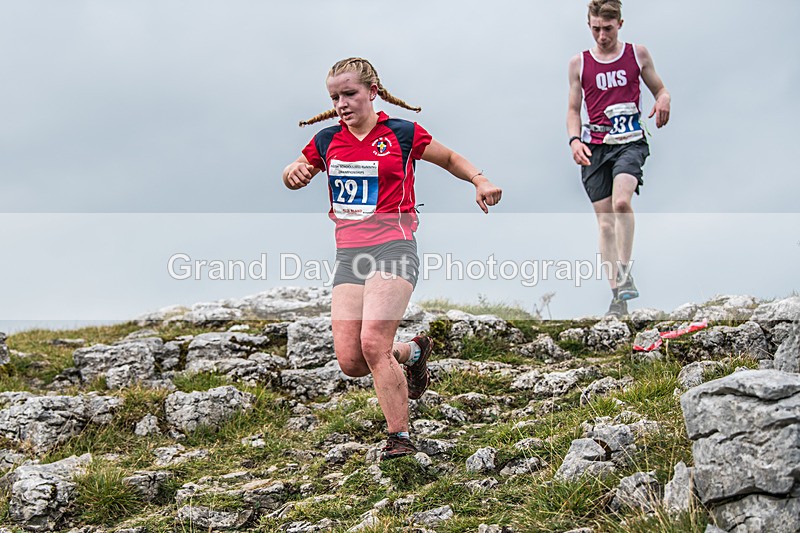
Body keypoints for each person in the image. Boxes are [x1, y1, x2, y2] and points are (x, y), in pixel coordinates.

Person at [282, 57, 502, 460]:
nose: (342, 103)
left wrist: (479, 180)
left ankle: (399, 437)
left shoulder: (401, 133)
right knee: (351, 360)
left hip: (394, 248)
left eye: (349, 93)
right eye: (335, 97)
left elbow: (450, 158)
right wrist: (291, 172)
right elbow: (299, 166)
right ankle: (413, 353)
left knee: (372, 342)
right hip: (350, 254)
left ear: (372, 92)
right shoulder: (327, 141)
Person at [566, 0, 671, 316]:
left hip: (630, 143)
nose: (602, 36)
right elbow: (573, 109)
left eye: (607, 29)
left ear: (620, 25)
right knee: (606, 223)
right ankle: (618, 296)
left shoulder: (637, 55)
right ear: (589, 26)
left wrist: (663, 100)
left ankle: (625, 274)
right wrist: (573, 140)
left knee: (622, 203)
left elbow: (660, 88)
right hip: (594, 146)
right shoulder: (579, 64)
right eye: (596, 29)